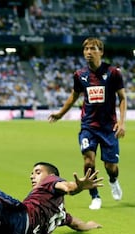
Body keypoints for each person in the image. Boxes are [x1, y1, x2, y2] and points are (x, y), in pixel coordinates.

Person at [48, 37, 127, 210]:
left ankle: (113, 180)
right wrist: (60, 114)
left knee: (111, 166)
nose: (88, 52)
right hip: (88, 127)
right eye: (86, 49)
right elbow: (74, 96)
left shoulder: (113, 73)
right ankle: (95, 196)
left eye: (92, 49)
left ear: (101, 52)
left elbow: (122, 98)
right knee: (88, 162)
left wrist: (122, 123)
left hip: (109, 128)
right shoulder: (79, 75)